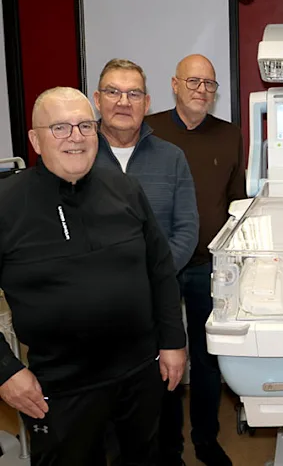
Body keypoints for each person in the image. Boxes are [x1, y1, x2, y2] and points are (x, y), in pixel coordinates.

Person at [0, 87, 187, 465]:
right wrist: (5, 371)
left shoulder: (124, 188)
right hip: (59, 388)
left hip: (139, 376)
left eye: (85, 125)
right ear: (36, 139)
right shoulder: (7, 204)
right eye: (61, 128)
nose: (76, 137)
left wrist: (172, 341)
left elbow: (160, 270)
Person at [145, 54, 245, 466]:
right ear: (174, 84)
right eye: (193, 82)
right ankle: (169, 448)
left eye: (209, 84)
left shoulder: (229, 135)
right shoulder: (148, 131)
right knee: (163, 357)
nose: (202, 90)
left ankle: (206, 439)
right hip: (159, 267)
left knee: (207, 359)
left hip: (208, 265)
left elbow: (237, 202)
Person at [93, 58, 198, 273]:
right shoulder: (78, 157)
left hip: (158, 291)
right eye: (113, 92)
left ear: (146, 103)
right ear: (97, 100)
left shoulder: (172, 158)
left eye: (134, 94)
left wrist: (156, 274)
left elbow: (186, 230)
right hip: (92, 293)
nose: (124, 102)